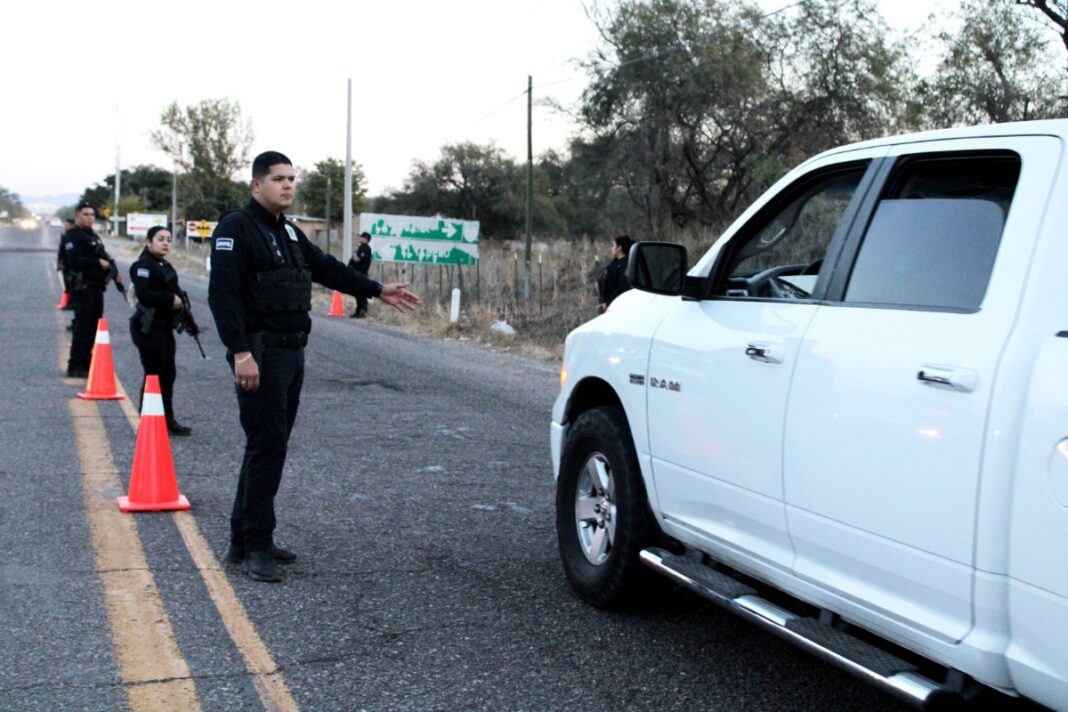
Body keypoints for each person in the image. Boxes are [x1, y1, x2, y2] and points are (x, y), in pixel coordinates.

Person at [208, 151, 421, 583]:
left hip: (291, 354)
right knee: (267, 447)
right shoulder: (235, 228)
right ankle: (256, 546)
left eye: (291, 178)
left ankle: (242, 540)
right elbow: (223, 296)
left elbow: (326, 269)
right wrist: (240, 353)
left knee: (267, 446)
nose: (288, 185)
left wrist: (376, 289)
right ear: (257, 185)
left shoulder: (288, 231)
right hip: (260, 354)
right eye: (278, 179)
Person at [129, 226, 192, 436]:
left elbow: (177, 293)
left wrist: (188, 320)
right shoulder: (142, 266)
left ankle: (167, 419)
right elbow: (144, 294)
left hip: (164, 327)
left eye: (168, 239)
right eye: (160, 239)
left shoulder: (165, 266)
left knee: (168, 374)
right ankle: (147, 421)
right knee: (154, 375)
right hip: (147, 327)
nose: (166, 243)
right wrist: (169, 298)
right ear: (149, 242)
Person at [63, 202, 125, 378]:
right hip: (83, 288)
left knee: (93, 328)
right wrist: (97, 262)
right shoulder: (73, 236)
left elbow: (104, 256)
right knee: (82, 327)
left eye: (92, 214)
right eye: (86, 214)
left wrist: (114, 272)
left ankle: (87, 362)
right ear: (77, 216)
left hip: (97, 287)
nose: (90, 217)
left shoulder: (93, 236)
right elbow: (74, 261)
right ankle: (75, 365)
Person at [597, 234, 634, 313]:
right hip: (608, 306)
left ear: (619, 248)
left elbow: (622, 288)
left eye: (613, 245)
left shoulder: (626, 265)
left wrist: (608, 303)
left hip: (617, 307)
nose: (612, 248)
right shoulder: (615, 263)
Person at [348, 231, 373, 318]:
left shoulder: (365, 248)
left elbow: (357, 259)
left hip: (361, 273)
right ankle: (358, 311)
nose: (360, 238)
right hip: (357, 273)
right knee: (358, 292)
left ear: (366, 239)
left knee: (360, 293)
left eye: (362, 237)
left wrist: (354, 253)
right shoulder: (361, 247)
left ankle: (362, 310)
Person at [57, 217, 76, 312]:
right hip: (65, 263)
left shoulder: (73, 236)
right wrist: (59, 262)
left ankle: (71, 303)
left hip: (71, 264)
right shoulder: (65, 235)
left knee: (71, 284)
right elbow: (61, 250)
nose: (65, 226)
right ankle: (70, 302)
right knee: (68, 284)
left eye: (66, 224)